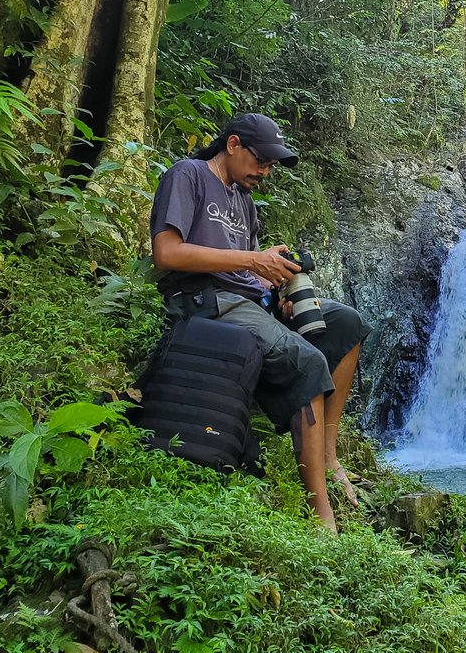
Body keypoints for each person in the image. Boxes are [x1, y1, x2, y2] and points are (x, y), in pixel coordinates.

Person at [149, 112, 371, 532]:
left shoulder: (244, 203)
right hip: (203, 298)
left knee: (347, 323)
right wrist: (254, 259)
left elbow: (247, 274)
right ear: (232, 145)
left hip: (249, 301)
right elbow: (168, 253)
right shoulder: (189, 175)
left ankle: (327, 455)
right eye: (261, 161)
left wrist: (276, 286)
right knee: (307, 361)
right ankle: (321, 514)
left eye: (271, 165)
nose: (265, 171)